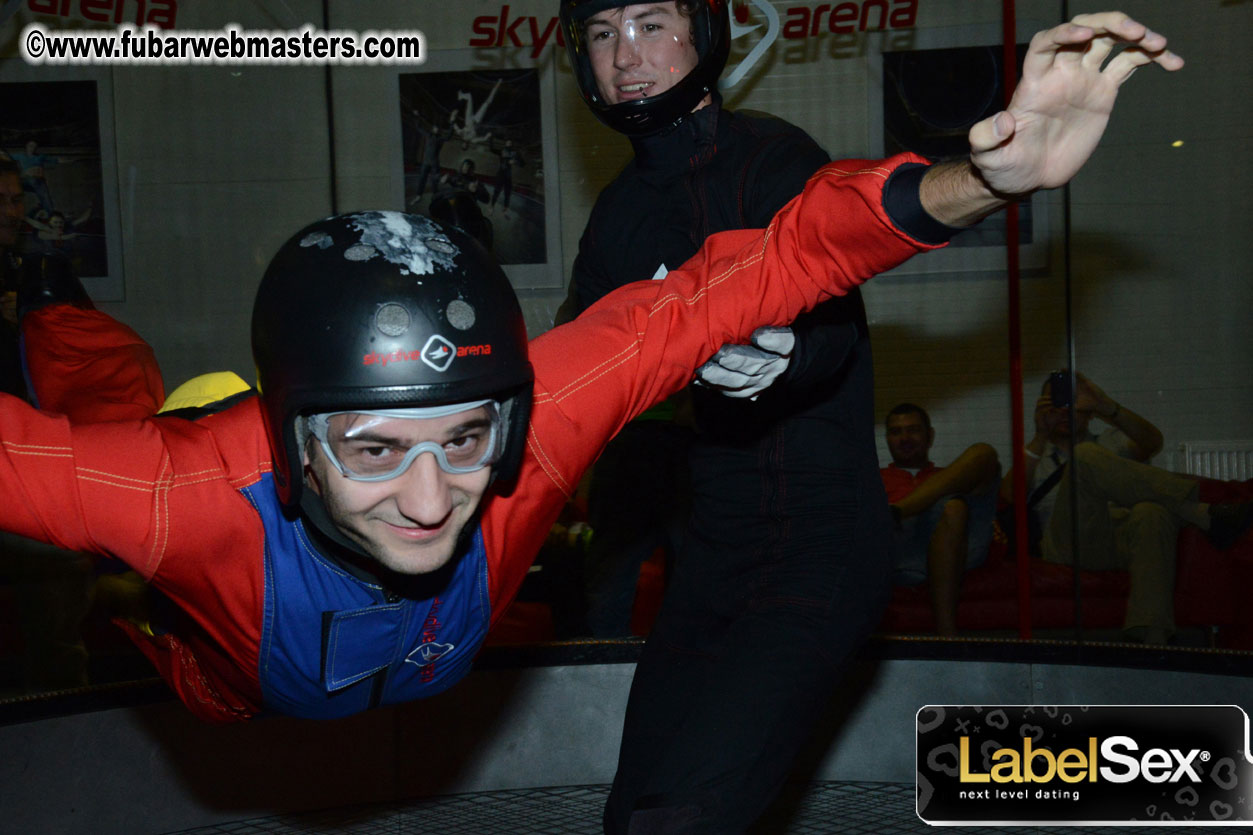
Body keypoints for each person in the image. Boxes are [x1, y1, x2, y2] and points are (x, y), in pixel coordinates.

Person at [4, 4, 1180, 731]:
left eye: (463, 437)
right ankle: (76, 351)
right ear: (292, 440)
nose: (431, 502)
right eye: (372, 450)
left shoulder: (540, 419)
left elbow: (764, 266)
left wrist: (983, 179)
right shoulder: (193, 496)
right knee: (140, 438)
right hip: (230, 673)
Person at [555, 2, 1183, 830]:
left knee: (680, 817)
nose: (625, 57)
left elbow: (838, 260)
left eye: (649, 25)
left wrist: (789, 349)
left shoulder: (773, 157)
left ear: (704, 34)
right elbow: (569, 371)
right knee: (630, 814)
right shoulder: (618, 215)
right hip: (709, 555)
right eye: (603, 34)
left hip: (815, 548)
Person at [1004, 372, 1253, 645]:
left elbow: (1152, 442)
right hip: (1069, 543)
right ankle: (1201, 513)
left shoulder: (1112, 442)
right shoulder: (1036, 456)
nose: (1065, 410)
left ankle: (1153, 640)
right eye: (1057, 403)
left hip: (1122, 538)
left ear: (1087, 411)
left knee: (1152, 512)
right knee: (1084, 456)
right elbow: (1006, 496)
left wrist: (1107, 406)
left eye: (1072, 402)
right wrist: (1040, 435)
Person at [0, 159, 94, 693]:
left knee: (66, 557)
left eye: (19, 198)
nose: (18, 210)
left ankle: (62, 701)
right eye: (5, 201)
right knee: (58, 562)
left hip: (25, 460)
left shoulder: (25, 268)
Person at [881, 403, 999, 636]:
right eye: (896, 432)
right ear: (887, 439)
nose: (904, 438)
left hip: (956, 544)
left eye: (913, 430)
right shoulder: (875, 479)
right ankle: (948, 635)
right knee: (953, 506)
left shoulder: (955, 475)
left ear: (930, 435)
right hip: (898, 548)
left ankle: (899, 510)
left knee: (983, 455)